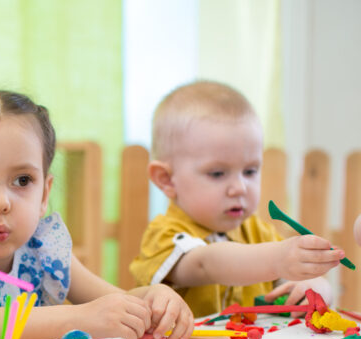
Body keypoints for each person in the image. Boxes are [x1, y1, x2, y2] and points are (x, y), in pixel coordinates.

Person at [0, 89, 194, 339]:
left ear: (43, 195)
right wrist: (80, 318)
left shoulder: (46, 252)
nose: (1, 202)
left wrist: (155, 299)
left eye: (22, 180)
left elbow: (115, 300)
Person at [130, 80, 343, 318]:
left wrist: (317, 287)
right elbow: (205, 264)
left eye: (250, 171)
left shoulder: (258, 233)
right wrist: (278, 258)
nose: (240, 187)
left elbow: (291, 275)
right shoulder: (163, 235)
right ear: (166, 179)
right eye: (217, 173)